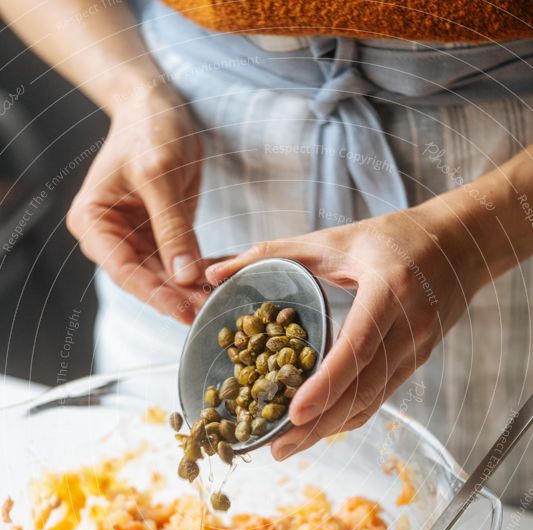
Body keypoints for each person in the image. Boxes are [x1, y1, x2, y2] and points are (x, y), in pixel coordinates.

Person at [2, 0, 533, 504]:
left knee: (464, 506)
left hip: (491, 178)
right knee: (141, 484)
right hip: (191, 132)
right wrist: (132, 90)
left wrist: (473, 239)